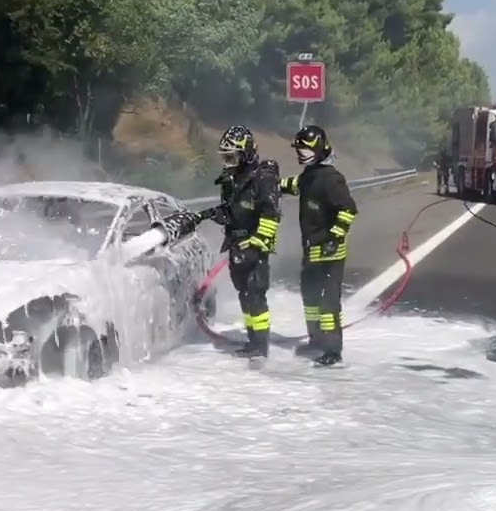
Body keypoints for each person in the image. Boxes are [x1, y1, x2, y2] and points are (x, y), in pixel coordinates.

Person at [153, 125, 281, 358]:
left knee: (255, 296)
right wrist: (209, 214)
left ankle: (260, 347)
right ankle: (253, 340)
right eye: (224, 156)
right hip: (236, 245)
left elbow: (271, 214)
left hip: (254, 248)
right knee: (245, 294)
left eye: (231, 156)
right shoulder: (232, 179)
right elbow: (232, 209)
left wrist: (257, 243)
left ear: (246, 154)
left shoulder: (262, 179)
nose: (227, 162)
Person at [278, 124, 357, 367]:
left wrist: (334, 237)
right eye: (298, 149)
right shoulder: (309, 176)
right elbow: (293, 185)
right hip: (311, 251)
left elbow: (348, 209)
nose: (301, 153)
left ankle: (333, 350)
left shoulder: (331, 179)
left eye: (306, 148)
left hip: (329, 254)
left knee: (328, 303)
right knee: (310, 299)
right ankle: (316, 339)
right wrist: (270, 184)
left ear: (320, 149)